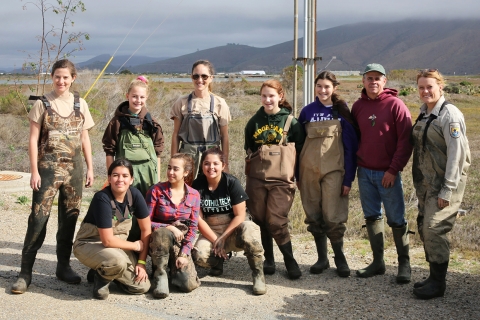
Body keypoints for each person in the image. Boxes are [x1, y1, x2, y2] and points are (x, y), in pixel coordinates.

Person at [11, 59, 95, 294]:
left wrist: (90, 167)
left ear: (73, 78)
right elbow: (32, 139)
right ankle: (25, 272)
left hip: (74, 169)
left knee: (69, 218)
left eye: (65, 77)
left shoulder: (81, 104)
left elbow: (85, 138)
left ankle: (63, 266)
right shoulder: (42, 104)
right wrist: (34, 171)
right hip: (47, 169)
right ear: (52, 77)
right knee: (38, 219)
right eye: (57, 76)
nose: (61, 81)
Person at [411, 69, 471, 299]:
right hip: (427, 183)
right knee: (425, 226)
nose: (425, 91)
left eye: (430, 87)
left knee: (435, 228)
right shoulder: (425, 113)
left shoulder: (450, 115)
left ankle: (438, 283)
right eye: (421, 87)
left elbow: (457, 155)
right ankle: (433, 276)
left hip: (446, 183)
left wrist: (447, 188)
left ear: (440, 87)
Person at [352, 63, 413, 283]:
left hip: (388, 173)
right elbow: (354, 138)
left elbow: (405, 142)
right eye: (369, 78)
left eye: (378, 78)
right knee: (372, 217)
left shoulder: (396, 105)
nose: (373, 82)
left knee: (396, 219)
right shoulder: (358, 106)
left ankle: (404, 264)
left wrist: (393, 170)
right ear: (363, 81)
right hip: (365, 172)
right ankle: (378, 262)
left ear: (385, 81)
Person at [298, 71, 358, 277]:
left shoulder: (342, 111)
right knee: (314, 216)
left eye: (327, 87)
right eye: (319, 86)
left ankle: (340, 258)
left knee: (333, 216)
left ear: (334, 88)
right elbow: (298, 146)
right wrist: (298, 175)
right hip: (307, 172)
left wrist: (348, 178)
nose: (323, 90)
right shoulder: (306, 112)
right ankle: (321, 259)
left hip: (334, 171)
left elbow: (351, 147)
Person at [244, 79, 305, 280]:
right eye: (264, 96)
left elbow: (301, 152)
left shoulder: (291, 122)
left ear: (280, 96)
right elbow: (249, 149)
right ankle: (268, 259)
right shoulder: (254, 121)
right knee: (261, 219)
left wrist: (299, 178)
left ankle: (289, 260)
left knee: (276, 221)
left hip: (282, 179)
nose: (267, 100)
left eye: (271, 95)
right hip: (257, 179)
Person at [191, 147, 266, 295]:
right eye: (206, 163)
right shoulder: (197, 185)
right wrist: (216, 240)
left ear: (223, 165)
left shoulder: (231, 183)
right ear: (202, 166)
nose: (211, 167)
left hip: (233, 230)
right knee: (199, 255)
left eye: (215, 164)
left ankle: (258, 274)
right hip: (211, 231)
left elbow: (240, 215)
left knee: (250, 230)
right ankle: (218, 261)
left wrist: (224, 237)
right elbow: (198, 218)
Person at [73, 159, 151, 300]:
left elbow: (146, 229)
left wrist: (142, 262)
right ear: (109, 178)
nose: (120, 179)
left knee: (142, 286)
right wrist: (134, 245)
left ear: (131, 179)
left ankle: (103, 271)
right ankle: (103, 277)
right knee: (118, 261)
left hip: (117, 247)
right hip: (90, 243)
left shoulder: (135, 195)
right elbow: (107, 240)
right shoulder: (102, 198)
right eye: (115, 175)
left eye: (125, 176)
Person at [147, 153, 201, 299]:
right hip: (159, 241)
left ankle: (172, 269)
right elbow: (146, 222)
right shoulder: (156, 191)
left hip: (179, 243)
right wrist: (169, 227)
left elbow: (193, 227)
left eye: (175, 169)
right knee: (163, 233)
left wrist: (184, 253)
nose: (170, 172)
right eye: (169, 168)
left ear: (186, 172)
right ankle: (159, 274)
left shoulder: (194, 195)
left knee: (187, 285)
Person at [102, 75, 164, 197]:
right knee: (124, 209)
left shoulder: (152, 122)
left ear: (146, 98)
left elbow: (158, 152)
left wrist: (157, 178)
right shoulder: (117, 122)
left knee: (146, 210)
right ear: (127, 96)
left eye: (142, 97)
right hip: (125, 175)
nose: (138, 100)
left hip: (148, 175)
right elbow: (109, 151)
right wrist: (111, 177)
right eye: (134, 96)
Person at [170, 60, 231, 178]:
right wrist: (174, 161)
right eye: (196, 76)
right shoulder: (181, 102)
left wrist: (225, 163)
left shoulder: (220, 103)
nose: (200, 80)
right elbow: (176, 134)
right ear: (191, 77)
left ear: (211, 78)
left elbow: (225, 136)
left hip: (212, 160)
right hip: (188, 158)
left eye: (204, 76)